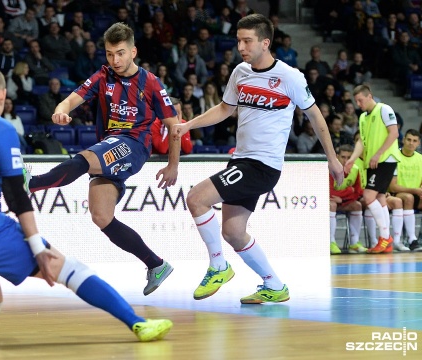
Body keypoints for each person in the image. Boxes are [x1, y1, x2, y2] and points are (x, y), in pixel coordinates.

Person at [0, 65, 172, 345]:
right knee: (71, 271)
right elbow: (15, 193)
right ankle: (138, 323)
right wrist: (38, 248)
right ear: (1, 96)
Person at [171, 14, 344, 303]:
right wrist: (189, 125)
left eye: (247, 40)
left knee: (196, 198)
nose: (241, 46)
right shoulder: (240, 72)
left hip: (262, 165)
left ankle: (218, 266)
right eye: (239, 40)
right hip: (241, 161)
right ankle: (274, 285)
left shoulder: (289, 77)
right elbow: (225, 109)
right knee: (233, 231)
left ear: (265, 42)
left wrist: (333, 159)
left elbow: (316, 117)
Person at [25, 23, 180, 296]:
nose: (115, 60)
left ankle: (29, 184)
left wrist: (173, 165)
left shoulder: (151, 82)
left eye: (120, 53)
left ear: (133, 51)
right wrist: (60, 111)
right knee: (102, 217)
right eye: (109, 54)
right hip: (109, 144)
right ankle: (156, 264)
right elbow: (71, 100)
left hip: (133, 145)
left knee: (82, 160)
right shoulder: (103, 75)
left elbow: (174, 125)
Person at [345, 84, 401, 254]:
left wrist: (378, 154)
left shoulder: (384, 109)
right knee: (380, 198)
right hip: (373, 162)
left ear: (369, 96)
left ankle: (385, 238)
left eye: (360, 100)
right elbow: (361, 142)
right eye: (356, 101)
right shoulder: (362, 118)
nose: (358, 104)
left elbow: (394, 133)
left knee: (368, 196)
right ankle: (387, 240)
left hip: (385, 159)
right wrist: (352, 159)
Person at [388, 129, 422, 251]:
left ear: (418, 143)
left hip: (416, 193)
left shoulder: (420, 158)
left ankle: (419, 238)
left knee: (411, 197)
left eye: (414, 141)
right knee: (409, 198)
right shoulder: (394, 156)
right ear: (403, 140)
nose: (411, 143)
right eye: (408, 139)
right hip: (396, 194)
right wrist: (416, 190)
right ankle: (410, 239)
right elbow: (392, 186)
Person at [329, 144, 365, 255]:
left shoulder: (355, 169)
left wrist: (343, 198)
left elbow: (358, 192)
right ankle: (331, 242)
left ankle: (354, 243)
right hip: (328, 201)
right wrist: (349, 191)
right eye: (343, 157)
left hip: (342, 201)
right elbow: (329, 192)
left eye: (348, 158)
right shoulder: (330, 169)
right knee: (332, 204)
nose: (345, 160)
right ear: (337, 157)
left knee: (357, 205)